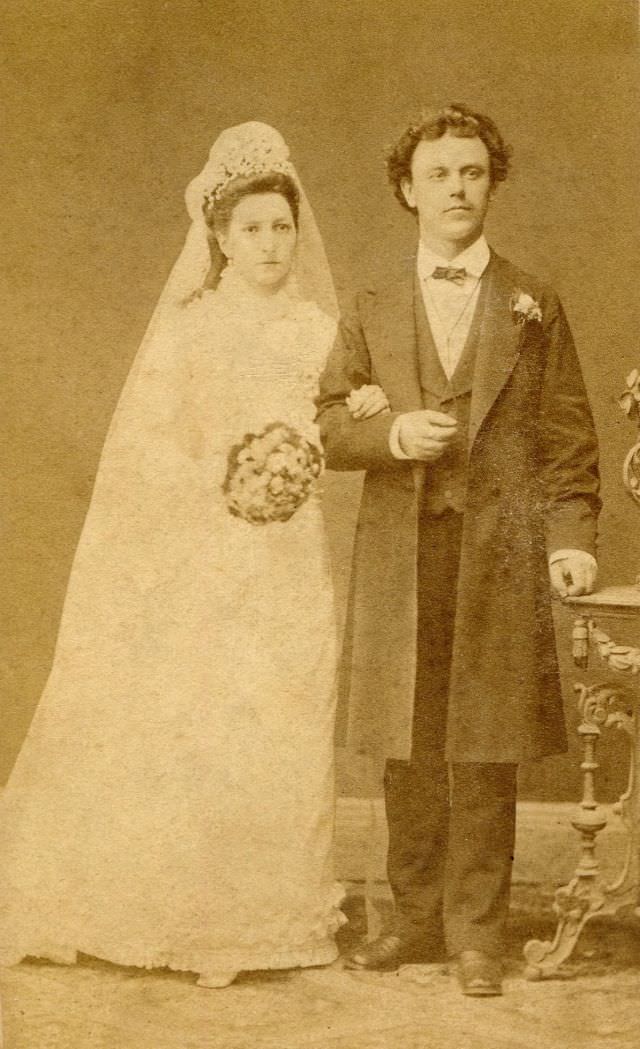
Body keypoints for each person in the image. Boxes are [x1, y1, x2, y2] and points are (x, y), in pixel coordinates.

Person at [0, 122, 369, 988]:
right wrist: (226, 473)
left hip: (291, 554)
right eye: (252, 229)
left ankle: (269, 914)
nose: (272, 244)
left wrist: (299, 463)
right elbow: (146, 446)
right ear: (219, 237)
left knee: (285, 706)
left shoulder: (323, 328)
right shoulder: (191, 328)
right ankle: (195, 913)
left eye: (282, 226)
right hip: (206, 554)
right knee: (209, 717)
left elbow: (346, 421)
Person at [316, 103, 600, 997]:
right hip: (400, 551)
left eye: (472, 172)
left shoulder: (533, 299)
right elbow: (326, 421)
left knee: (485, 740)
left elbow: (570, 442)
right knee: (406, 739)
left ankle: (480, 930)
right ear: (408, 190)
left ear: (493, 182)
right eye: (439, 174)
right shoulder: (369, 298)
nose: (457, 189)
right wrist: (392, 434)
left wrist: (571, 542)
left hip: (502, 558)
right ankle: (413, 919)